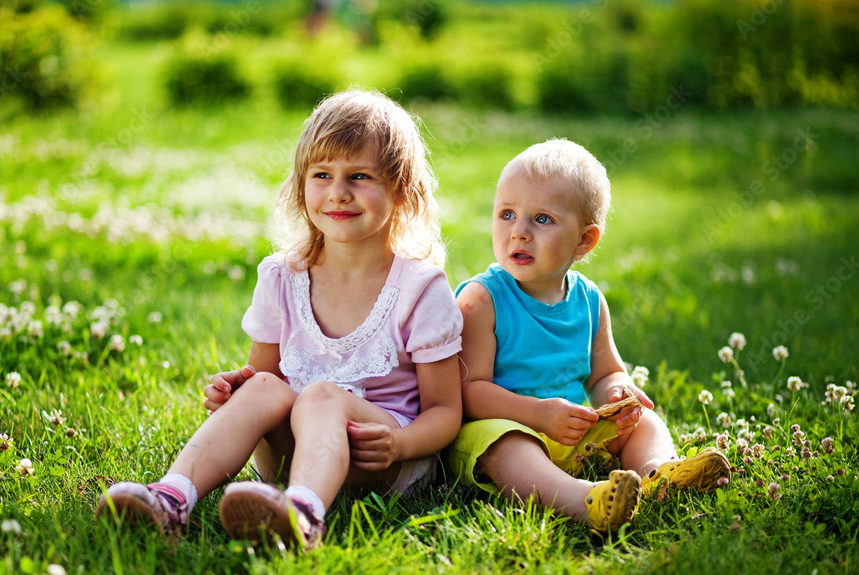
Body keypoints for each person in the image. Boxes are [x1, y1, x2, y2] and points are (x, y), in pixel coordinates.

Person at [97, 89, 463, 550]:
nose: (338, 192)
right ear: (300, 184)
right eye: (322, 174)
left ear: (402, 190)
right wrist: (237, 389)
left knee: (323, 397)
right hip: (287, 455)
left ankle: (303, 517)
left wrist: (403, 445)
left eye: (360, 176)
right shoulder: (282, 276)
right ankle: (172, 497)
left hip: (380, 462)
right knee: (267, 389)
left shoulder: (420, 289)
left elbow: (446, 412)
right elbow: (265, 377)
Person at [444, 139, 730, 535]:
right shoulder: (482, 300)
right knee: (508, 445)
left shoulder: (589, 301)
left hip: (573, 432)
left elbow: (604, 374)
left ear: (584, 240)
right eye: (506, 214)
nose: (519, 232)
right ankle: (583, 502)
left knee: (644, 421)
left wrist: (618, 394)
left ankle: (658, 475)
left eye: (542, 219)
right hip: (498, 429)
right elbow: (468, 392)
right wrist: (538, 415)